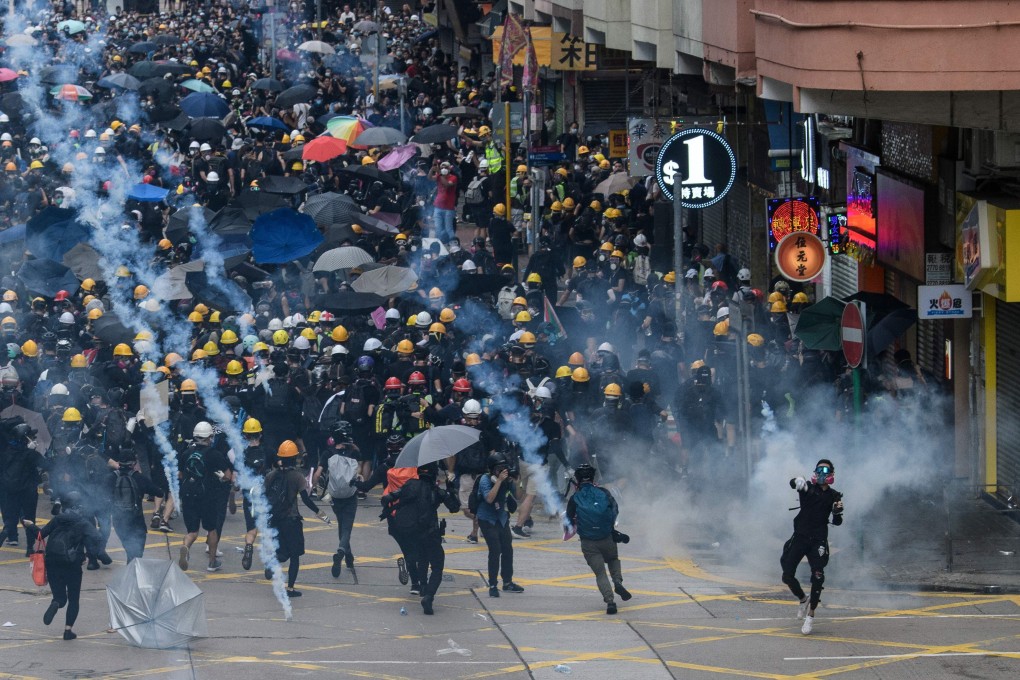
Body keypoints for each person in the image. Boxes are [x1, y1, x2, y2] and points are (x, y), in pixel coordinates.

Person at [381, 461, 460, 615]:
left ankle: (422, 586)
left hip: (413, 533)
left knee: (422, 558)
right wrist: (451, 489)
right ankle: (429, 596)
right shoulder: (437, 491)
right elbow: (454, 507)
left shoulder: (410, 485)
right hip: (431, 532)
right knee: (437, 566)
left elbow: (390, 497)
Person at [27, 492, 107, 641]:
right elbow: (97, 538)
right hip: (72, 563)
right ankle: (67, 631)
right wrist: (89, 551)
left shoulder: (57, 519)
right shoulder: (83, 522)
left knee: (60, 597)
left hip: (52, 561)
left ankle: (56, 603)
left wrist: (30, 525)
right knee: (74, 599)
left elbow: (40, 535)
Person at [782, 458, 844, 635]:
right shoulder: (808, 487)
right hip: (800, 536)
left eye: (826, 471)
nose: (822, 475)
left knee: (818, 576)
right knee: (787, 575)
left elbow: (837, 522)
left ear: (831, 474)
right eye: (819, 471)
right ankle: (803, 598)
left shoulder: (834, 495)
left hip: (818, 540)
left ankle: (811, 616)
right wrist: (797, 480)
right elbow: (793, 483)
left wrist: (837, 512)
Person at [265, 440, 329, 597]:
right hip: (291, 520)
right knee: (294, 555)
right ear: (295, 458)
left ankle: (272, 563)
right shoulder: (297, 477)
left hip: (275, 519)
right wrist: (321, 514)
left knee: (281, 550)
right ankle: (291, 588)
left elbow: (264, 497)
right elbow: (306, 500)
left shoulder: (271, 476)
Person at [566, 463, 631, 615]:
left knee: (600, 573)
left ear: (578, 479)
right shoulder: (604, 492)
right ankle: (617, 582)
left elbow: (569, 519)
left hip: (588, 542)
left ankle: (610, 602)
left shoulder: (575, 497)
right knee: (613, 560)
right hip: (607, 537)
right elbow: (615, 509)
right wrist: (609, 527)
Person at [177, 421, 233, 573]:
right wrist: (220, 477)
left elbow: (180, 474)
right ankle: (212, 562)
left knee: (192, 532)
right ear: (209, 437)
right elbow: (228, 476)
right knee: (211, 529)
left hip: (188, 495)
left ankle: (186, 546)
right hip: (207, 496)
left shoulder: (186, 453)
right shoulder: (214, 454)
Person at [313, 421, 362, 579]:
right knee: (346, 527)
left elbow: (318, 474)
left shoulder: (328, 453)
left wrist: (314, 488)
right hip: (350, 495)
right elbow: (359, 472)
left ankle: (348, 557)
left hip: (334, 496)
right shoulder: (354, 452)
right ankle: (342, 551)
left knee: (342, 525)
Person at [475, 453, 525, 597]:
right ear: (492, 469)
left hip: (501, 518)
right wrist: (499, 481)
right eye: (499, 469)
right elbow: (489, 499)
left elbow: (519, 496)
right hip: (487, 519)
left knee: (508, 549)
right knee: (495, 550)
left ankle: (508, 582)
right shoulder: (485, 479)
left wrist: (517, 481)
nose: (502, 471)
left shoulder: (507, 479)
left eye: (504, 468)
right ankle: (492, 585)